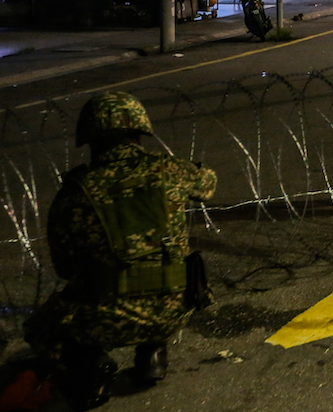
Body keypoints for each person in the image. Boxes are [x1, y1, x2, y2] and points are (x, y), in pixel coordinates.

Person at [21, 91, 216, 410]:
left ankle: (90, 368)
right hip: (174, 310)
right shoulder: (171, 171)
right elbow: (208, 183)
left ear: (90, 138)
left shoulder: (74, 194)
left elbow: (65, 269)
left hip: (104, 319)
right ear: (139, 131)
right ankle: (153, 355)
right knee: (160, 272)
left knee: (41, 326)